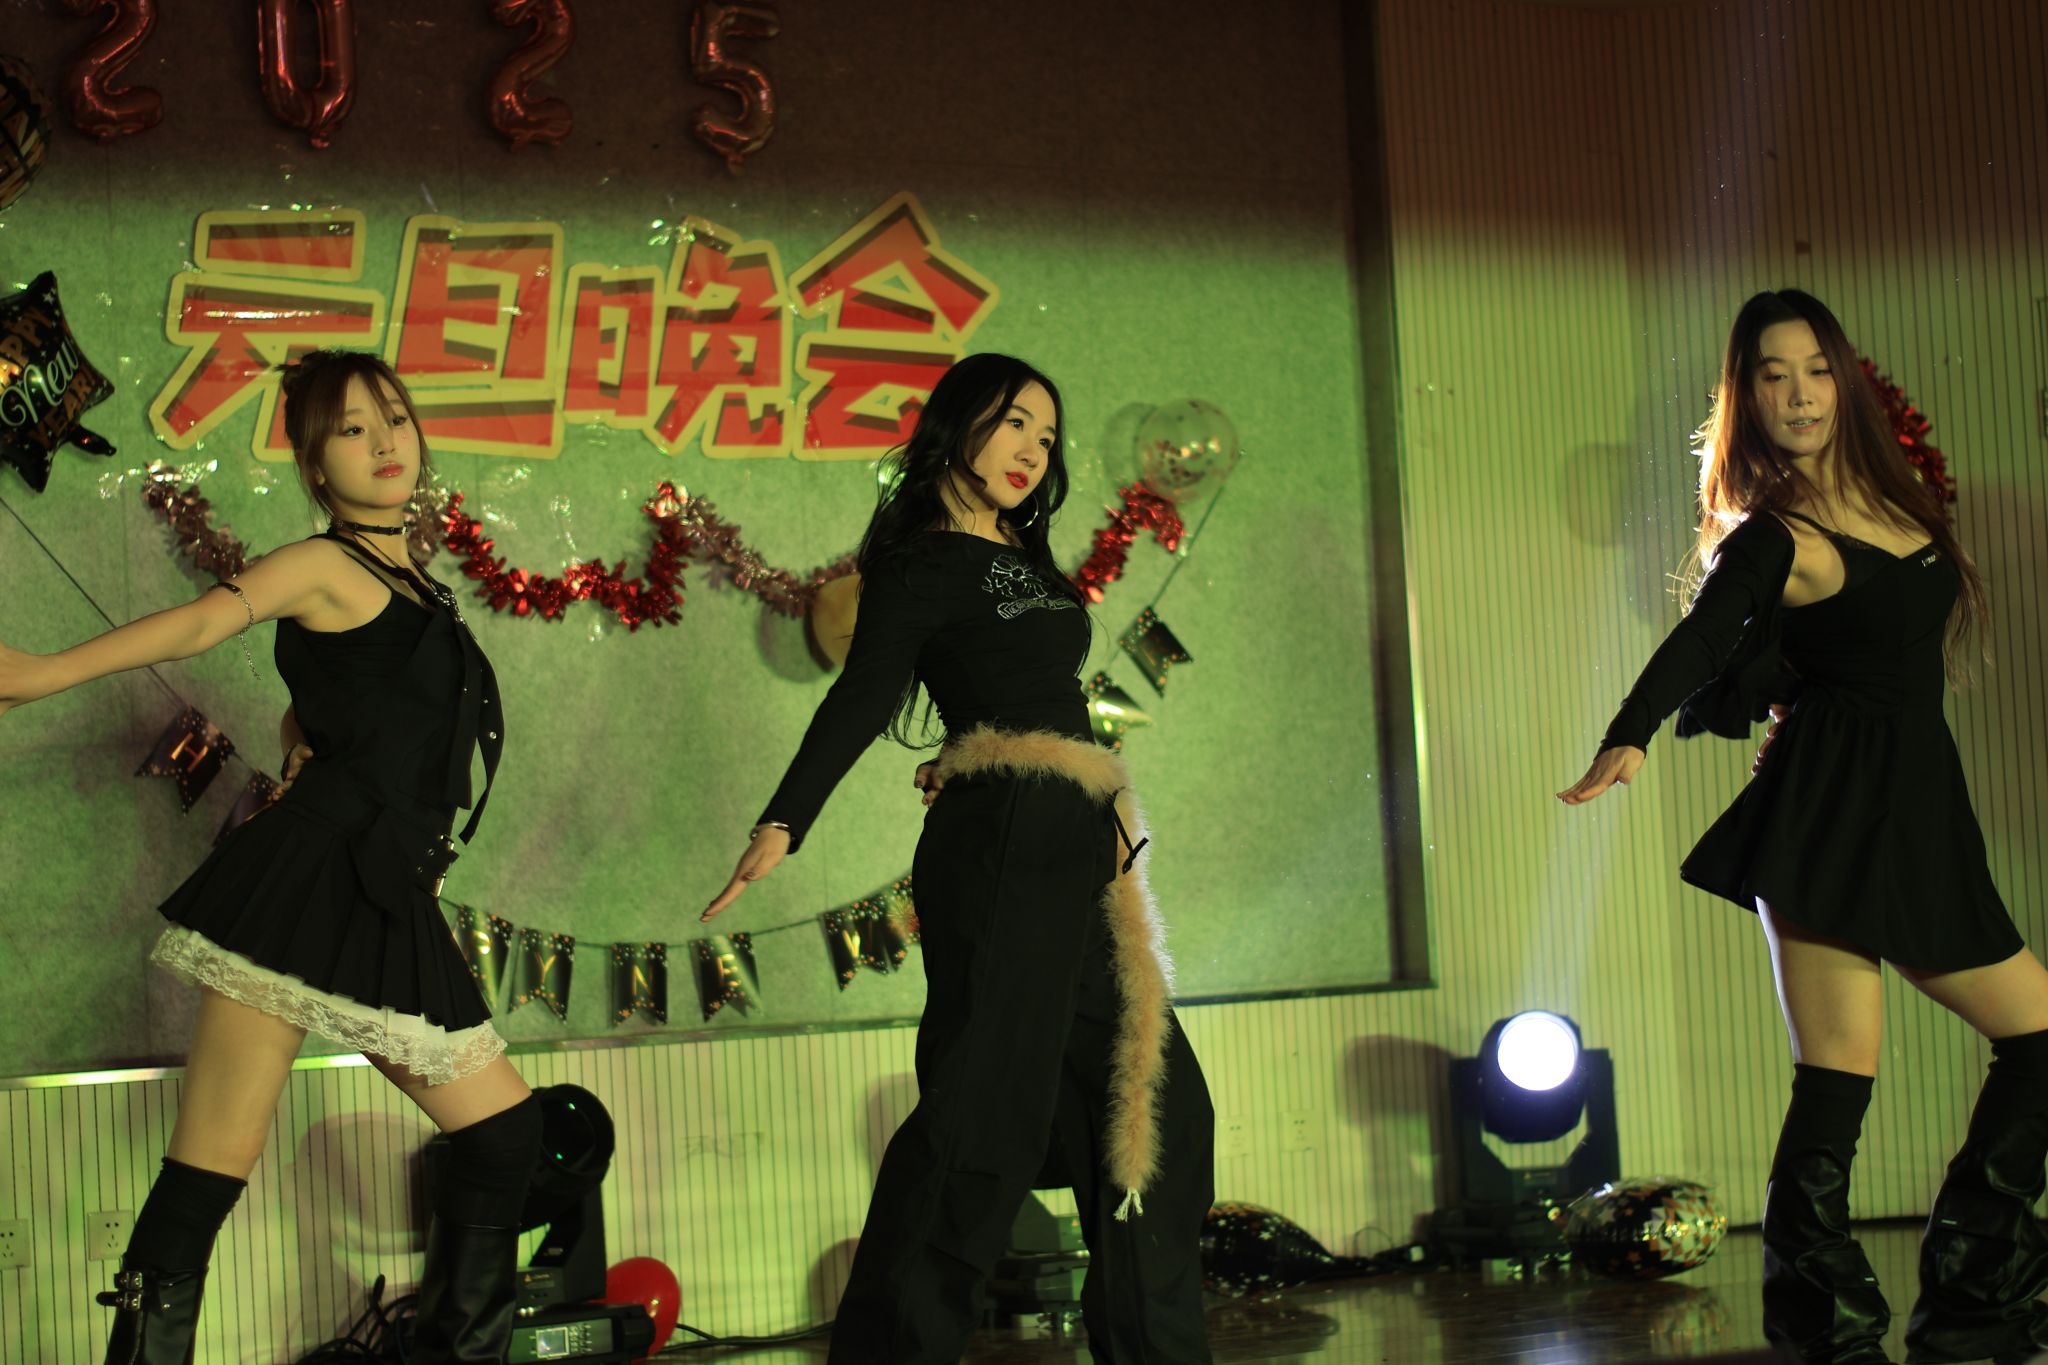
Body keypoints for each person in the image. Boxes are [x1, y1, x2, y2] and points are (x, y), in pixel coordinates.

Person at [0, 350, 539, 1365]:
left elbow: (352, 702)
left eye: (394, 417)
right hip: (306, 881)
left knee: (504, 1134)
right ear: (315, 466)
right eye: (352, 429)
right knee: (210, 1169)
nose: (384, 442)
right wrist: (45, 673)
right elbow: (205, 620)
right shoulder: (324, 565)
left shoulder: (411, 584)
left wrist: (300, 741)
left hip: (380, 886)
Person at [1559, 290, 2048, 1365]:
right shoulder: (1775, 536)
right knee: (1837, 1079)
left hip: (1919, 809)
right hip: (1826, 815)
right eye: (1772, 376)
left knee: (2038, 1036)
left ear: (1844, 378)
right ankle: (1828, 1330)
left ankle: (1973, 1289)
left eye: (1815, 369)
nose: (1799, 394)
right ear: (1745, 396)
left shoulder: (1891, 494)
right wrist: (1629, 731)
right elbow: (1701, 640)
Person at [701, 353, 1215, 1364]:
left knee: (1155, 1107)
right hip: (1006, 839)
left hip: (1076, 841)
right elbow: (862, 694)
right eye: (1014, 421)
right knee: (983, 1120)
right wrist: (785, 819)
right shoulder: (919, 563)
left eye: (1047, 436)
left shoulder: (1023, 553)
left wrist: (1035, 776)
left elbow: (1019, 688)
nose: (1033, 449)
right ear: (958, 422)